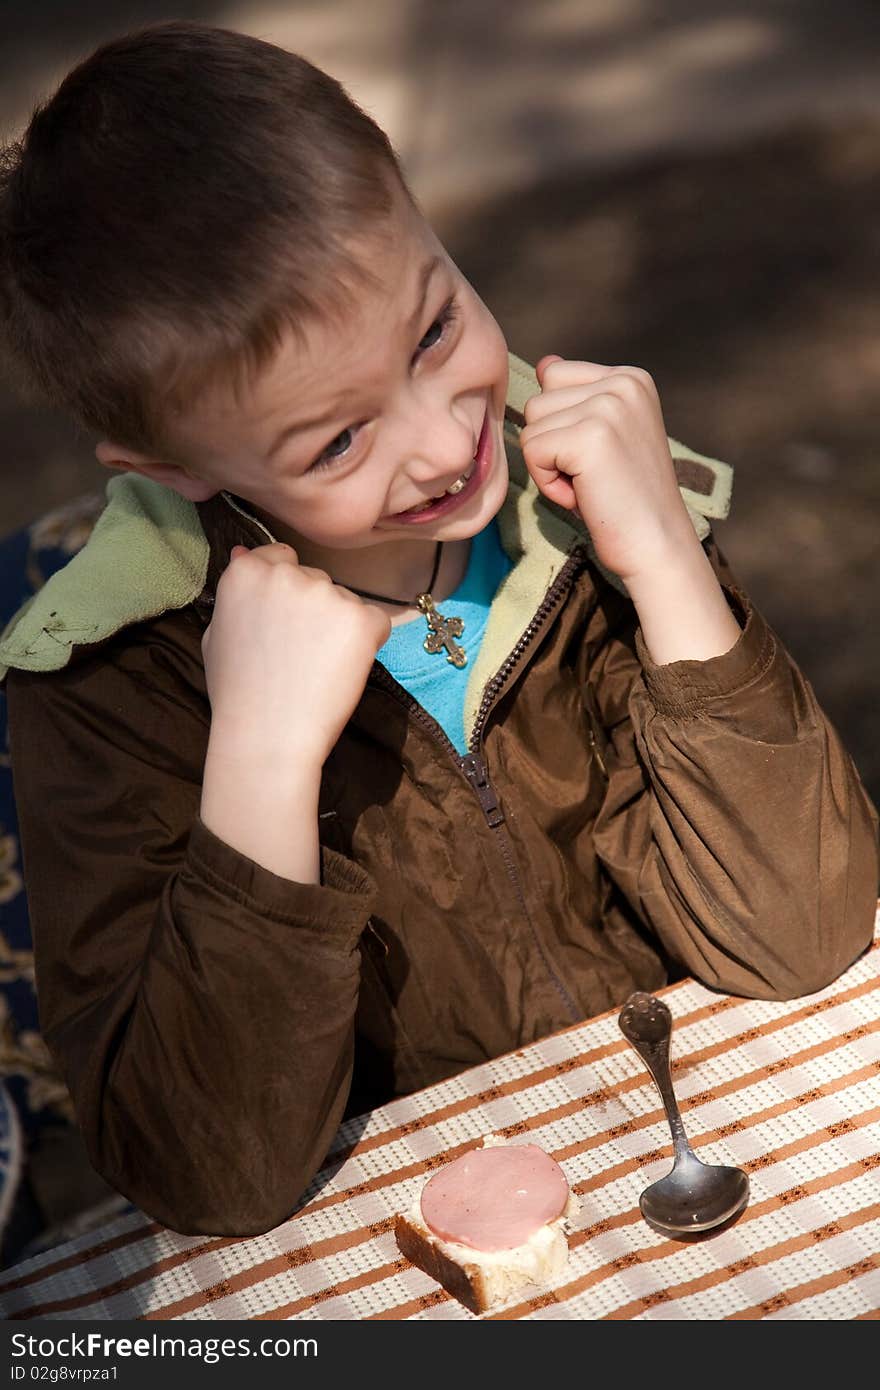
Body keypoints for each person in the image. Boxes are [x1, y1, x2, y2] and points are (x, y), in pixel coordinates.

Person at [0, 22, 876, 1239]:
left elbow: (802, 930)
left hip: (700, 1148)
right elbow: (211, 1173)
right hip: (400, 1255)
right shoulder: (113, 680)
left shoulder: (581, 516)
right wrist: (257, 763)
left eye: (433, 329)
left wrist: (667, 559)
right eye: (338, 440)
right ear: (168, 465)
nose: (444, 436)